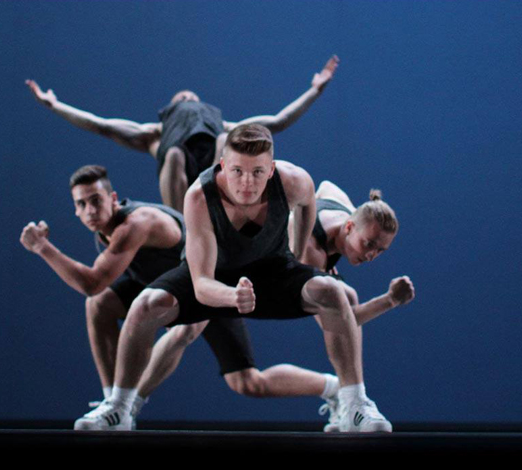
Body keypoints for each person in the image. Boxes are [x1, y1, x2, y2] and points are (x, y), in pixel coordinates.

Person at [84, 124, 398, 433]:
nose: (247, 183)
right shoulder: (199, 197)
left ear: (271, 169)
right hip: (216, 279)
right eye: (237, 171)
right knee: (146, 305)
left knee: (332, 291)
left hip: (272, 272)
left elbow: (308, 206)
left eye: (258, 172)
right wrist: (232, 296)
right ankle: (119, 407)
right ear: (223, 165)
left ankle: (355, 404)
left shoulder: (296, 181)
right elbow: (201, 283)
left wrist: (297, 258)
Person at [20, 164, 341, 430]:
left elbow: (92, 281)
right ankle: (113, 403)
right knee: (100, 305)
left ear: (113, 198)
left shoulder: (136, 223)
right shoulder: (108, 231)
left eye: (95, 200)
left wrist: (42, 247)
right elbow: (98, 291)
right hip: (158, 287)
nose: (90, 210)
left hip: (207, 283)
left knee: (239, 376)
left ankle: (334, 387)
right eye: (81, 204)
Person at [25, 56, 339, 211]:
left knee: (225, 142)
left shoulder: (224, 128)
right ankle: (181, 222)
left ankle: (222, 207)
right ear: (171, 109)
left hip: (217, 185)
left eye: (192, 97)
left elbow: (278, 121)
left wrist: (314, 90)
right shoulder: (155, 134)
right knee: (174, 152)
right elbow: (101, 124)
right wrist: (55, 105)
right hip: (181, 190)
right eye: (182, 98)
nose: (188, 97)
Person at [294, 180, 415, 431]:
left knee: (346, 294)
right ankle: (353, 403)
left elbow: (326, 185)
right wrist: (390, 299)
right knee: (338, 295)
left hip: (308, 261)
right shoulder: (311, 250)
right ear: (349, 227)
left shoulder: (343, 206)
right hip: (261, 276)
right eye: (369, 244)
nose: (371, 255)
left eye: (380, 250)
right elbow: (338, 322)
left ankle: (349, 403)